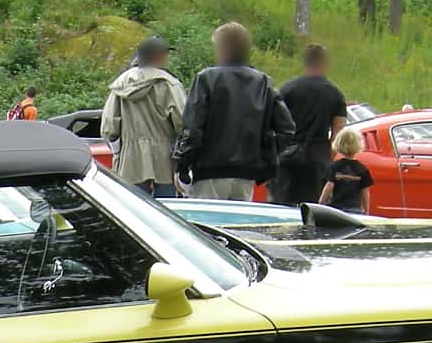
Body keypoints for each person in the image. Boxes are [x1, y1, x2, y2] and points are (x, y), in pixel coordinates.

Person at [172, 22, 292, 201]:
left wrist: (182, 164)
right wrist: (263, 156)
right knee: (237, 226)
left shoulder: (206, 79)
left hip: (209, 170)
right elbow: (286, 129)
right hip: (246, 173)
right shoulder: (263, 83)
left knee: (205, 225)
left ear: (221, 48)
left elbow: (193, 129)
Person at [102, 35, 186, 197]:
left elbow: (109, 126)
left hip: (130, 159)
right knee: (166, 212)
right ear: (159, 56)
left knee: (134, 212)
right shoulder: (169, 84)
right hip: (164, 159)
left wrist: (119, 151)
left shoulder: (121, 84)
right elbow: (182, 121)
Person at [273, 43, 348, 206]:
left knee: (281, 209)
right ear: (324, 63)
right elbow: (337, 136)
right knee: (312, 213)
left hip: (288, 159)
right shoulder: (335, 94)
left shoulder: (287, 89)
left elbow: (273, 125)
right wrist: (327, 158)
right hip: (317, 160)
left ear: (305, 63)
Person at [318, 128, 373, 213]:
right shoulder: (362, 169)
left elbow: (329, 186)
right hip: (354, 209)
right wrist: (366, 210)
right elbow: (365, 192)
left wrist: (321, 203)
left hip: (336, 208)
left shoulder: (334, 166)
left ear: (338, 144)